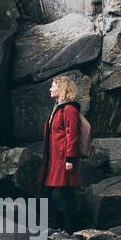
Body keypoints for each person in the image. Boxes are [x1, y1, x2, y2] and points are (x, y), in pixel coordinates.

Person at [39, 75, 82, 232]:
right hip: (54, 160)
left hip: (64, 160)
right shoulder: (57, 109)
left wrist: (70, 158)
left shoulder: (69, 109)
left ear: (62, 88)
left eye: (53, 86)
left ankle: (65, 229)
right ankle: (58, 226)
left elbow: (73, 134)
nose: (50, 89)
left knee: (65, 194)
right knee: (61, 193)